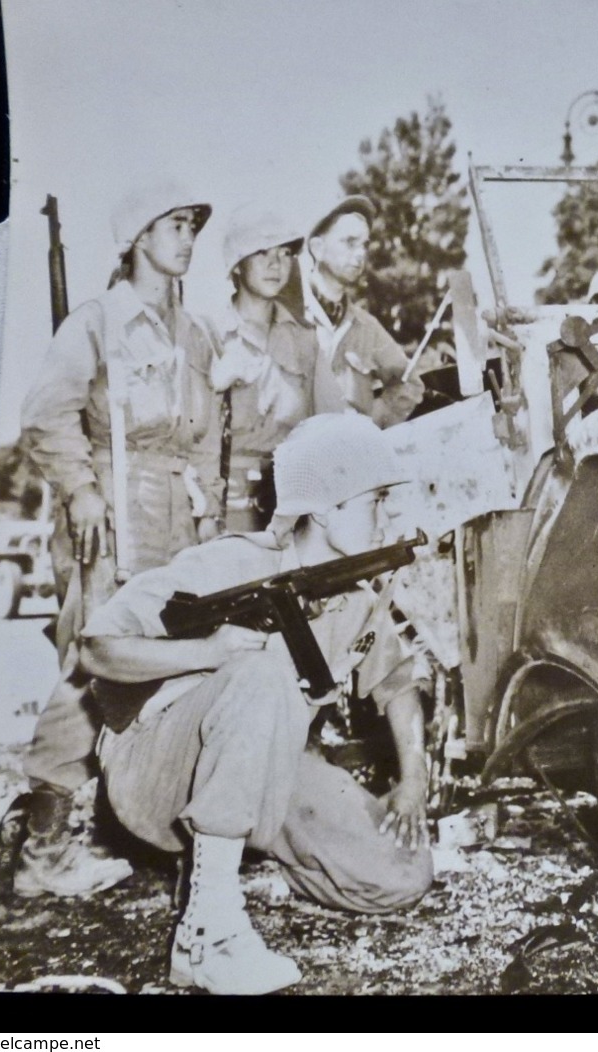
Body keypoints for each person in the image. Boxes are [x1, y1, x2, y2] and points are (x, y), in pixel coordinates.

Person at [81, 413, 438, 995]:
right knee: (259, 667)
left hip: (260, 762)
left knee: (400, 875)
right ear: (325, 507)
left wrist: (414, 778)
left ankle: (216, 867)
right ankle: (209, 934)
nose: (389, 514)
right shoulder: (226, 563)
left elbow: (396, 681)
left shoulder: (354, 596)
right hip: (154, 767)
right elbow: (97, 650)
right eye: (376, 499)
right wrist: (207, 651)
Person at [15, 182, 225, 899]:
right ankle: (42, 850)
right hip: (111, 516)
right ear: (137, 235)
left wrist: (210, 523)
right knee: (92, 668)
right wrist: (79, 488)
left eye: (193, 225)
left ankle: (150, 827)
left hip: (177, 519)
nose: (187, 238)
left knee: (167, 665)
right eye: (173, 224)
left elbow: (205, 441)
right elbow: (46, 414)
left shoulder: (192, 333)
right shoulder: (99, 322)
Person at [210, 206, 347, 532]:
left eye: (285, 254)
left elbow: (330, 424)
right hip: (226, 507)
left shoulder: (304, 341)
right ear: (237, 266)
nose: (276, 264)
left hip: (290, 502)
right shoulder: (207, 334)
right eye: (261, 253)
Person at [297, 196, 424, 427]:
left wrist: (373, 420)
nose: (360, 254)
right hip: (298, 457)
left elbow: (409, 382)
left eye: (364, 244)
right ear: (317, 248)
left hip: (353, 456)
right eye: (349, 242)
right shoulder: (288, 316)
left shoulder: (367, 327)